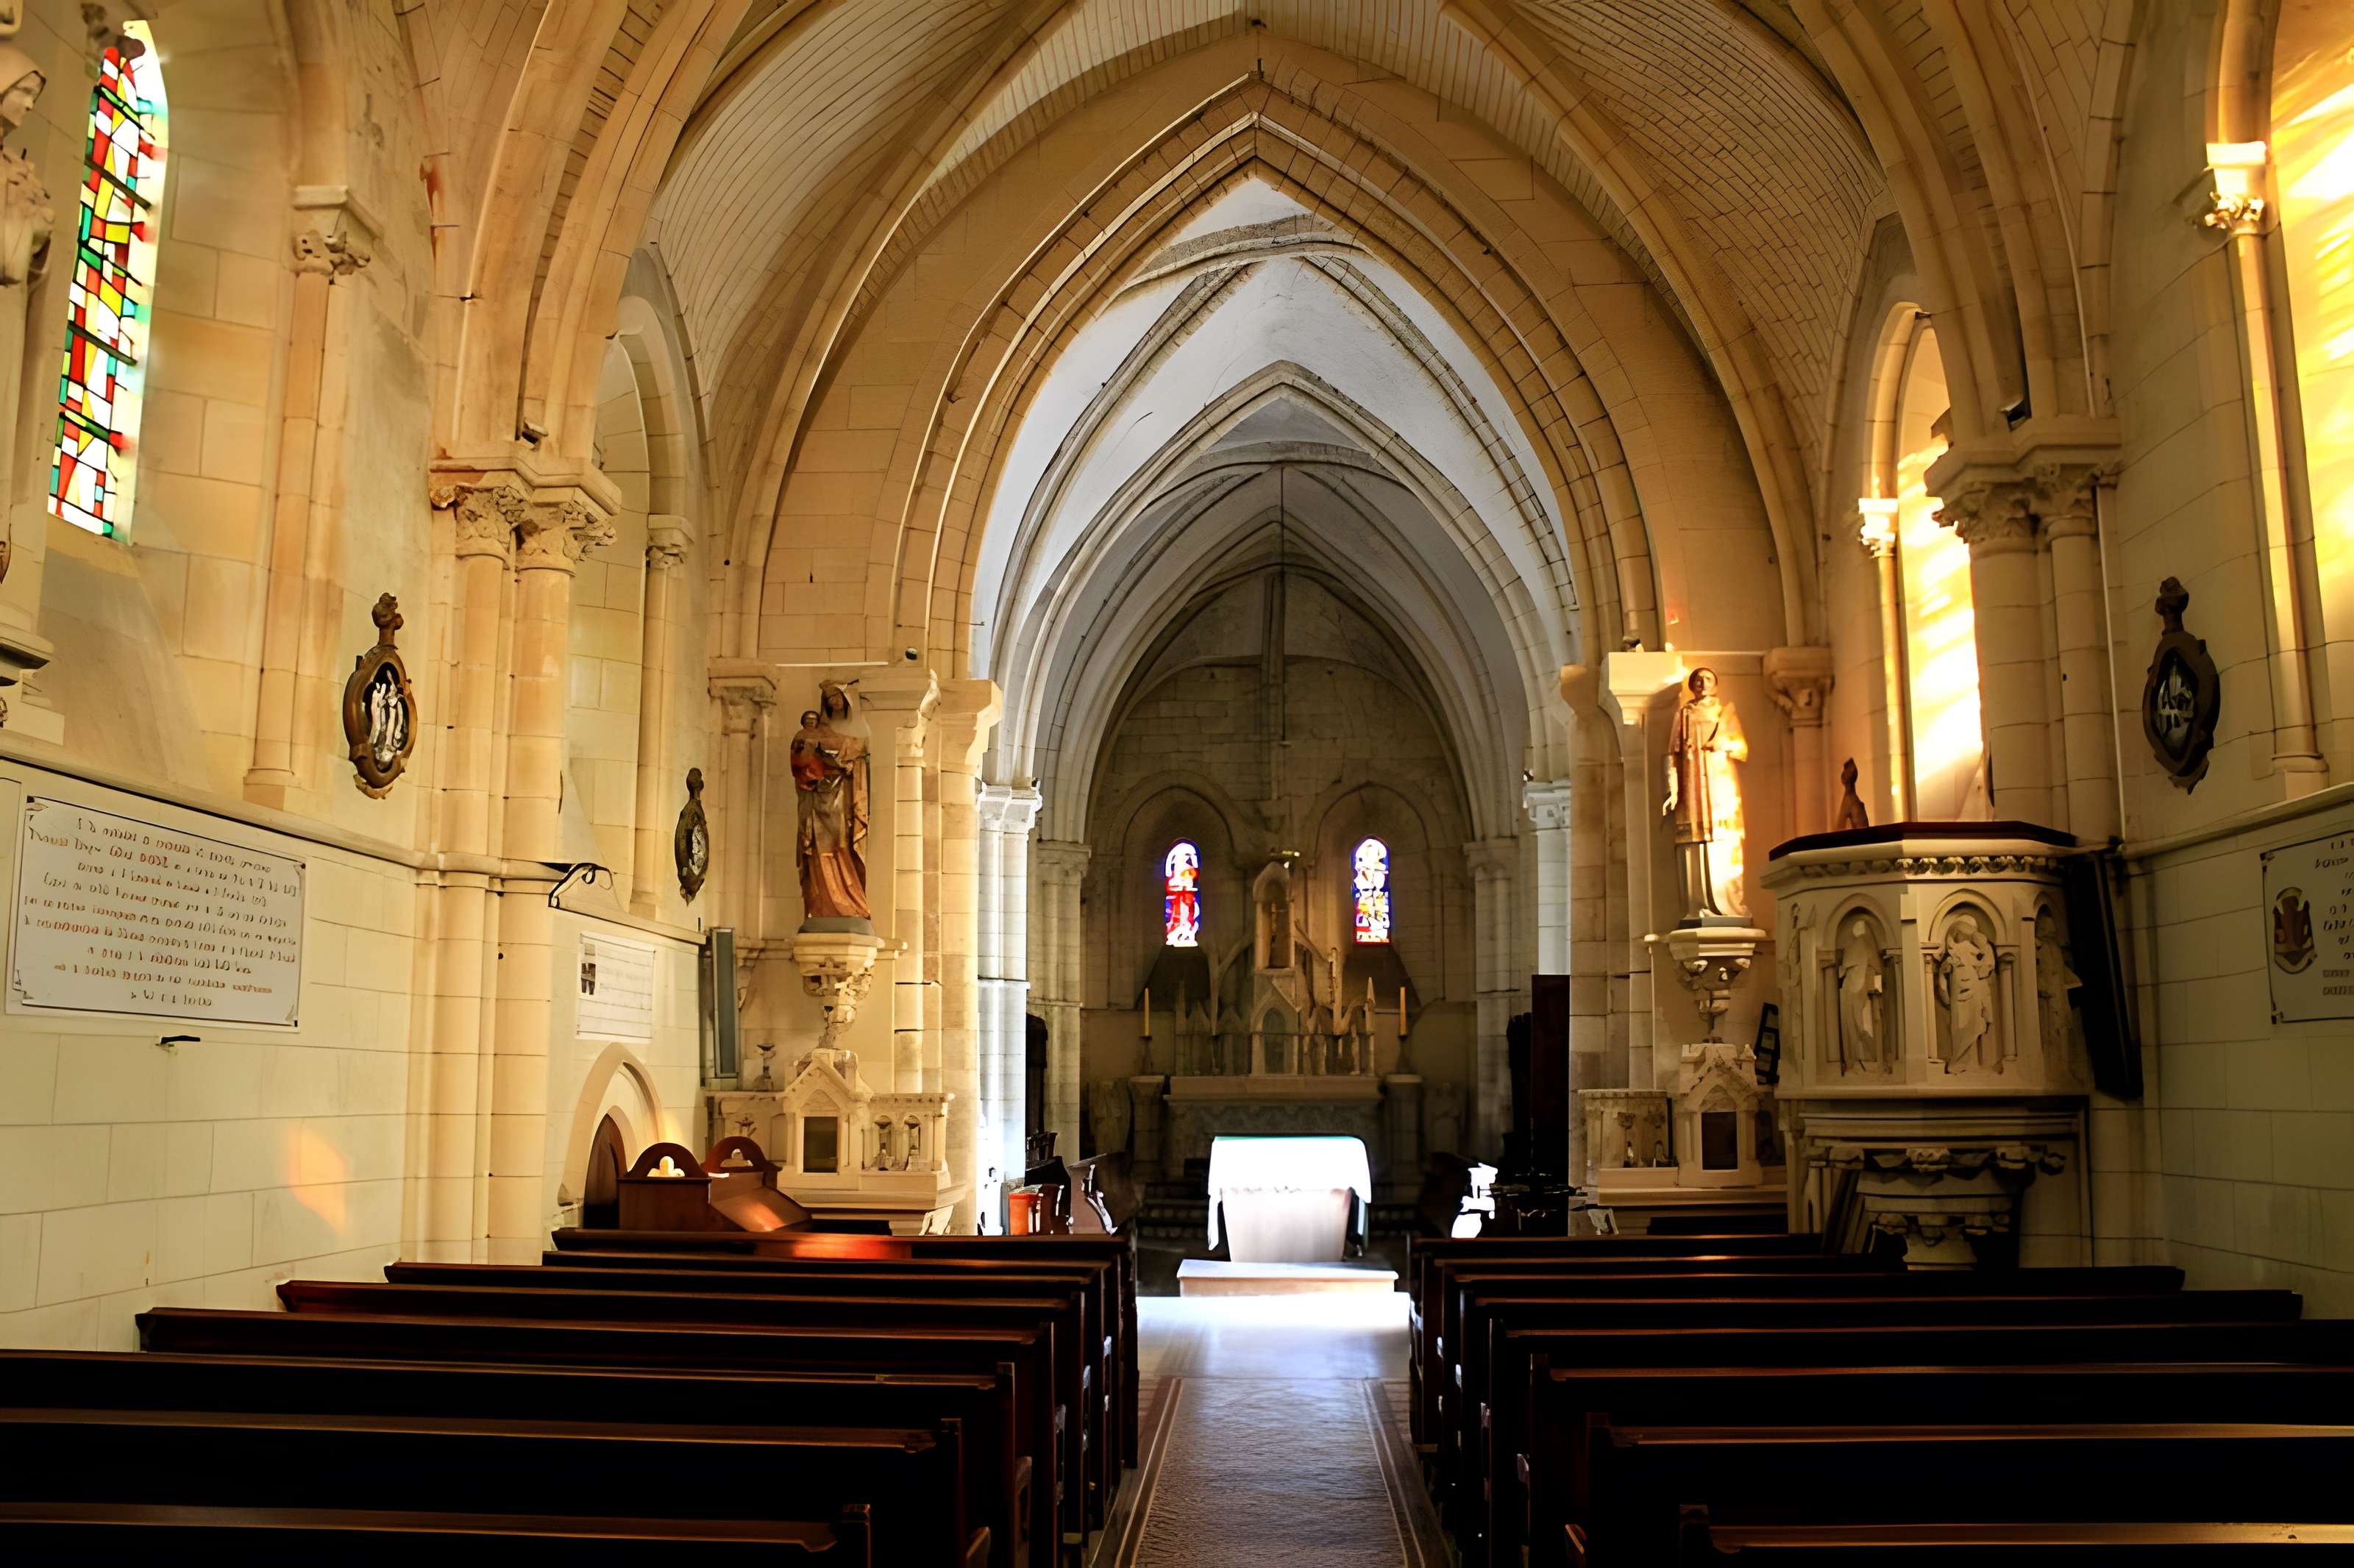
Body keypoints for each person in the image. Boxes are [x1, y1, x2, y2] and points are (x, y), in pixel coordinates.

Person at [1663, 667, 1749, 919]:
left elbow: (1741, 747)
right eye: (1698, 679)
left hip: (1719, 783)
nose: (1702, 683)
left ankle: (1729, 907)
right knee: (1694, 841)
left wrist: (1721, 744)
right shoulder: (1684, 714)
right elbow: (1672, 753)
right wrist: (1672, 788)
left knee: (1724, 839)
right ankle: (1697, 905)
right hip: (1692, 784)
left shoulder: (1725, 713)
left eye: (1708, 679)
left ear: (1716, 685)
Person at [791, 683, 870, 922]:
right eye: (830, 698)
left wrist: (842, 760)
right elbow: (799, 762)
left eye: (837, 697)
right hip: (815, 798)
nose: (834, 702)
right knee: (815, 849)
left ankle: (848, 900)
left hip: (838, 796)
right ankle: (821, 903)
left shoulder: (842, 736)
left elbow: (854, 749)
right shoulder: (805, 737)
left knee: (840, 844)